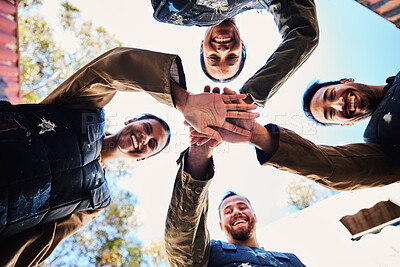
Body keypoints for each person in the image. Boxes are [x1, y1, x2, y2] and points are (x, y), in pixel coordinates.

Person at [0, 47, 257, 266]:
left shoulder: (95, 199)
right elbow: (111, 68)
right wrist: (183, 100)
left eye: (151, 144)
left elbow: (39, 242)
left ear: (142, 159)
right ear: (131, 120)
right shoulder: (83, 109)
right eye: (145, 129)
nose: (143, 139)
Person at [190, 75, 400, 192]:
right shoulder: (383, 145)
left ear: (345, 81)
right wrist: (256, 134)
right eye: (330, 112)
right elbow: (334, 166)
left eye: (331, 94)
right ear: (343, 125)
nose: (339, 103)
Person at [165, 138, 305, 266]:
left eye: (242, 207)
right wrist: (200, 153)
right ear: (221, 225)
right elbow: (181, 241)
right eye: (228, 211)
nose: (237, 212)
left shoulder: (291, 260)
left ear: (255, 216)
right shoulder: (207, 253)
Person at [151, 0, 319, 107]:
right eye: (232, 57)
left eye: (213, 58)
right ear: (242, 47)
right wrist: (251, 96)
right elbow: (303, 34)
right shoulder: (265, 1)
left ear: (202, 47)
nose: (223, 51)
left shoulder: (173, 14)